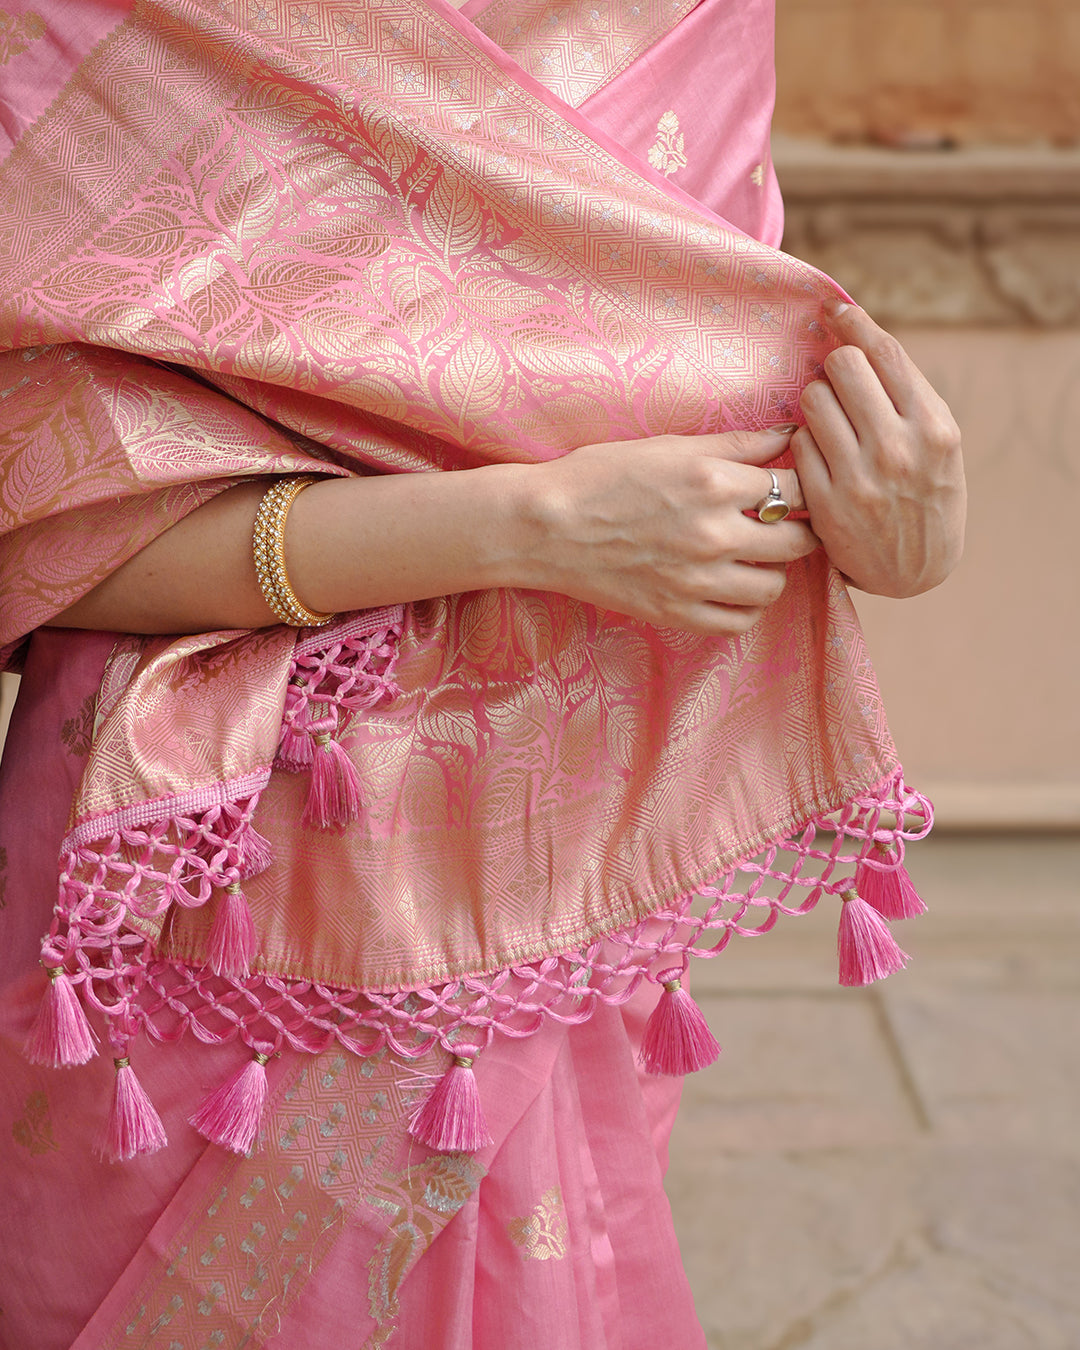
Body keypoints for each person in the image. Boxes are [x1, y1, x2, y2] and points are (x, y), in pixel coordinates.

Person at [0, 0, 964, 1345]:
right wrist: (532, 525)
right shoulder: (106, 30)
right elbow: (42, 513)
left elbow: (728, 419)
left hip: (568, 878)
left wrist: (887, 527)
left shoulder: (692, 19)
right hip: (207, 907)